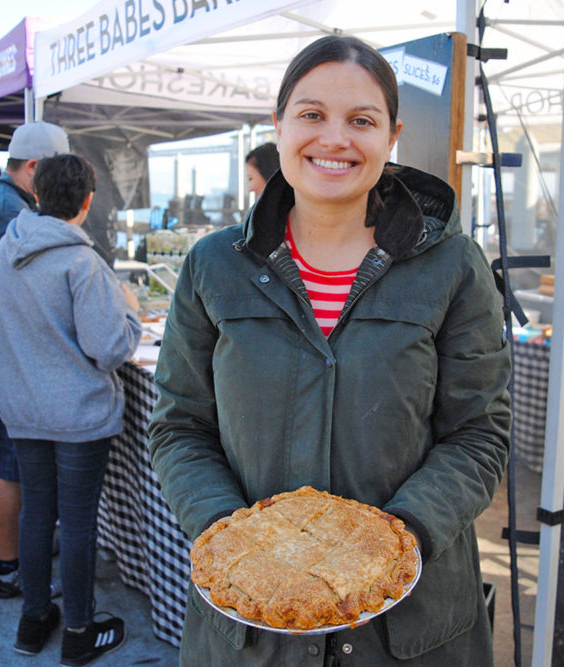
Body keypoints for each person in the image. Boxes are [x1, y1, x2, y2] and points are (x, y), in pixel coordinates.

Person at [150, 35, 511, 665]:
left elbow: (480, 433)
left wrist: (395, 540)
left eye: (362, 121)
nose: (335, 139)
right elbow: (180, 426)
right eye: (312, 115)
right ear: (280, 125)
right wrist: (238, 541)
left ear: (391, 135)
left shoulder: (452, 266)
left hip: (410, 631)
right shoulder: (214, 266)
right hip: (251, 627)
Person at [0, 153, 140, 664]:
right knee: (76, 524)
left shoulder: (11, 247)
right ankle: (78, 632)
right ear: (88, 202)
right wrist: (130, 312)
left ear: (35, 193)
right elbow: (111, 348)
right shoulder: (82, 262)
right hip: (77, 415)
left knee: (38, 515)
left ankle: (33, 621)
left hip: (24, 409)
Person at [0, 121, 69, 599]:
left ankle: (12, 549)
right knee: (8, 469)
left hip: (3, 364)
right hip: (0, 368)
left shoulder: (7, 202)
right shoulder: (4, 210)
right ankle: (6, 567)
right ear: (33, 168)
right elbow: (1, 294)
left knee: (15, 468)